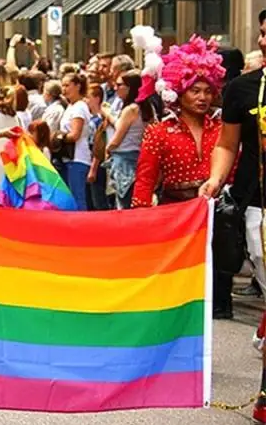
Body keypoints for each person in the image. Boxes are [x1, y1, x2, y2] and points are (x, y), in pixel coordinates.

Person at [133, 35, 228, 317]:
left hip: (217, 217)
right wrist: (140, 220)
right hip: (174, 218)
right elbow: (145, 179)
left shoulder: (223, 128)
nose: (202, 97)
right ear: (179, 91)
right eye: (195, 90)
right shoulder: (158, 131)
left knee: (214, 294)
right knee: (176, 291)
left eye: (207, 91)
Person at [202, 13, 266, 391]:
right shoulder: (242, 89)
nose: (263, 41)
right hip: (257, 206)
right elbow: (227, 144)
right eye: (262, 34)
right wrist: (215, 180)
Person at [104, 70, 154, 209]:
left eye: (120, 85)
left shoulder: (131, 109)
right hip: (140, 157)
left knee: (123, 202)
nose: (116, 88)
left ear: (130, 87)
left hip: (124, 160)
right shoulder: (146, 108)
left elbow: (117, 139)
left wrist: (108, 149)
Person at [55, 72, 91, 210]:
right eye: (62, 86)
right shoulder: (71, 106)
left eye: (67, 85)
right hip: (68, 158)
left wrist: (59, 137)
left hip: (77, 158)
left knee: (77, 198)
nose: (64, 89)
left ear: (77, 86)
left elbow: (75, 134)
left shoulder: (79, 107)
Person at [85, 84, 111, 210]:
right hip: (88, 159)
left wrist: (93, 168)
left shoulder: (100, 120)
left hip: (97, 162)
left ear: (97, 98)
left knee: (98, 200)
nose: (86, 100)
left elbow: (99, 145)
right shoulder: (89, 117)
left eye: (88, 97)